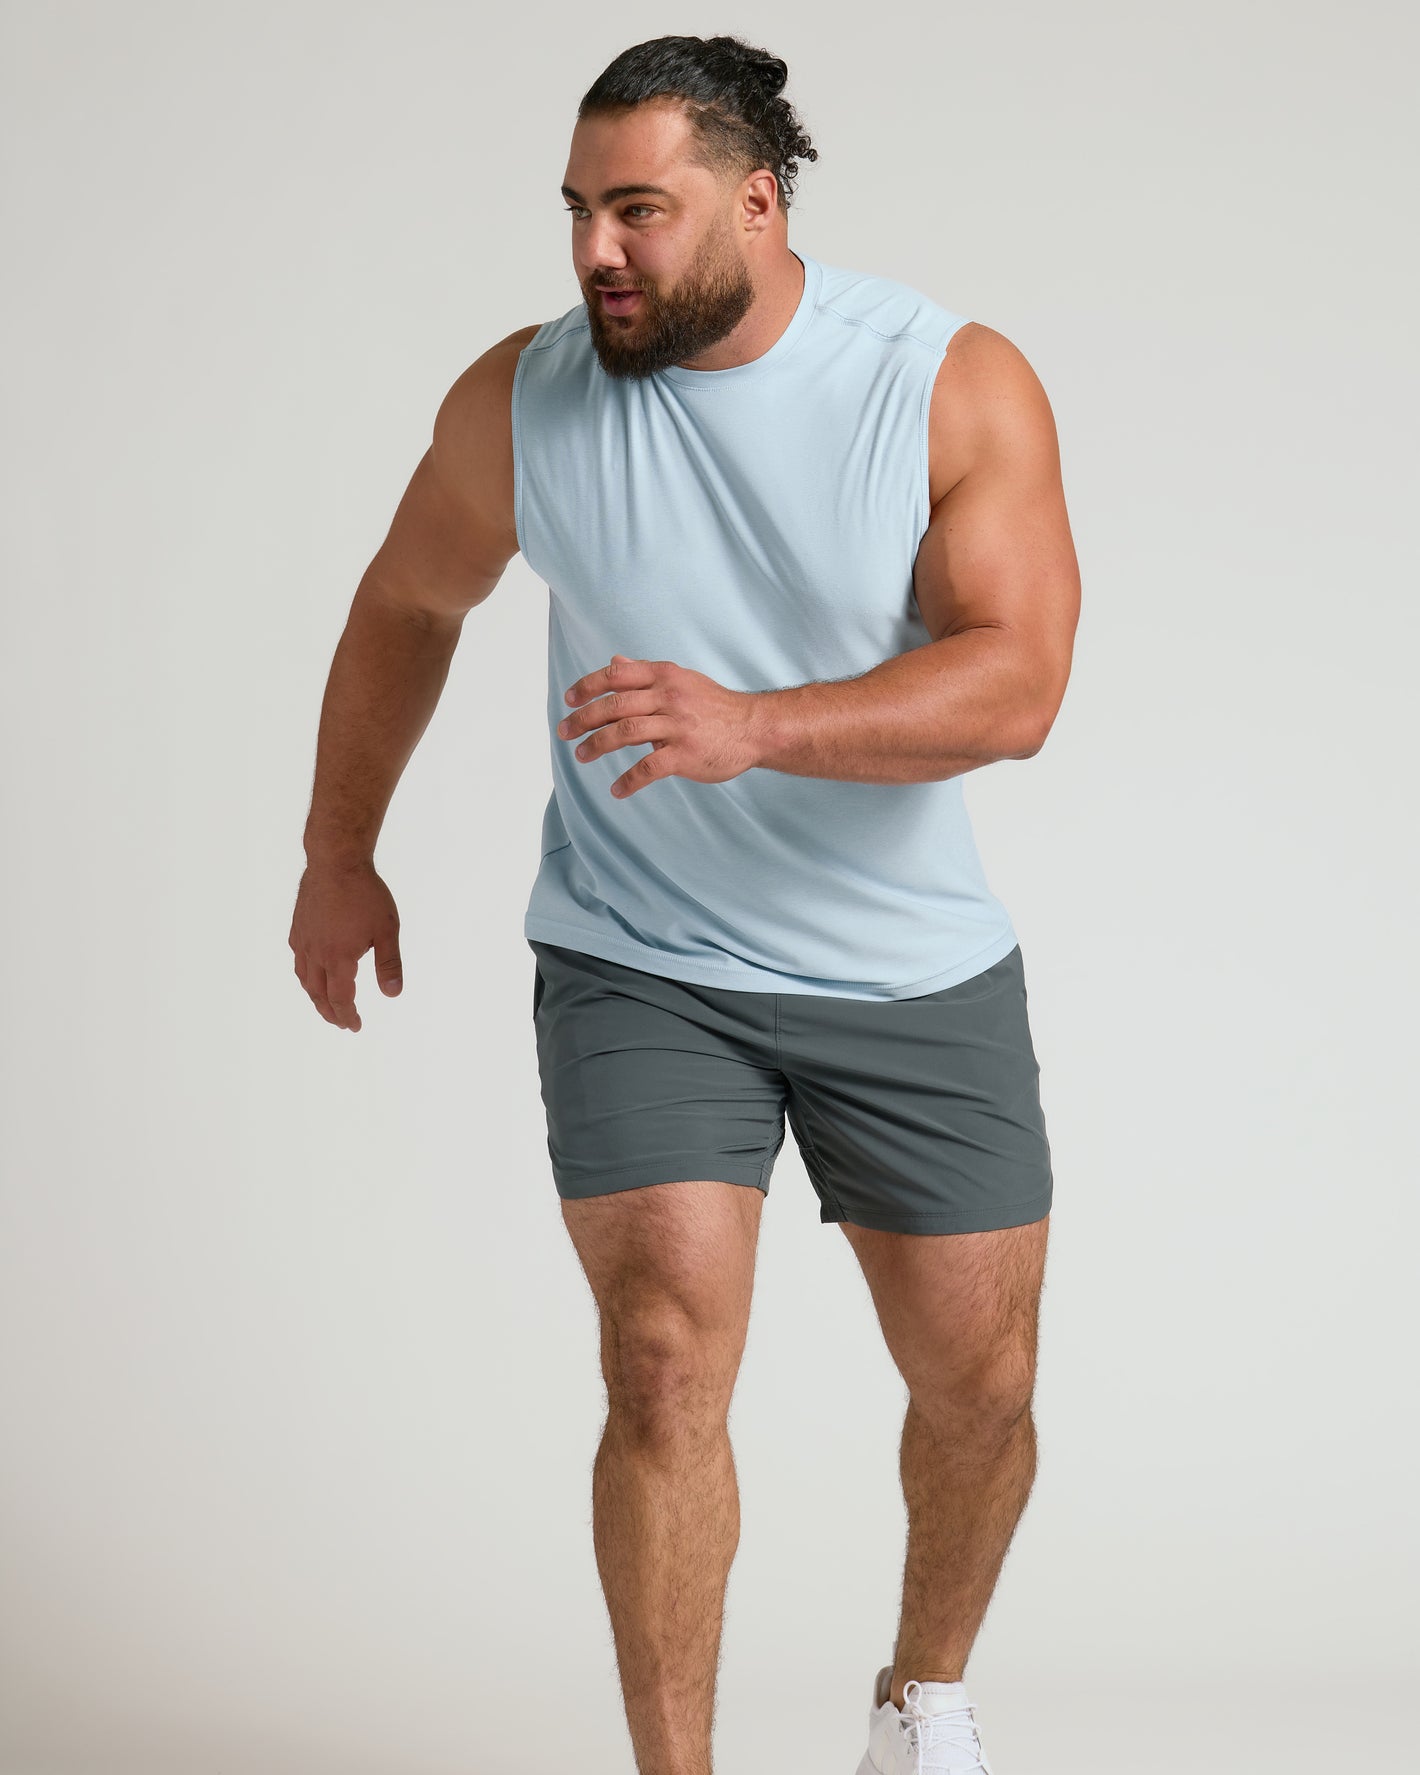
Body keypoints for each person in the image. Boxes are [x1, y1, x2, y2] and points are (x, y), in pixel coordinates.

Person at [289, 31, 1079, 1775]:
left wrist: (755, 726)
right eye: (578, 211)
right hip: (644, 956)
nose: (595, 252)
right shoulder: (525, 398)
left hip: (904, 968)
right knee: (658, 1361)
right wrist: (339, 847)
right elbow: (410, 604)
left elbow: (1019, 685)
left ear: (757, 198)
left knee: (983, 1388)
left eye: (638, 210)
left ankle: (923, 1698)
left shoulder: (941, 383)